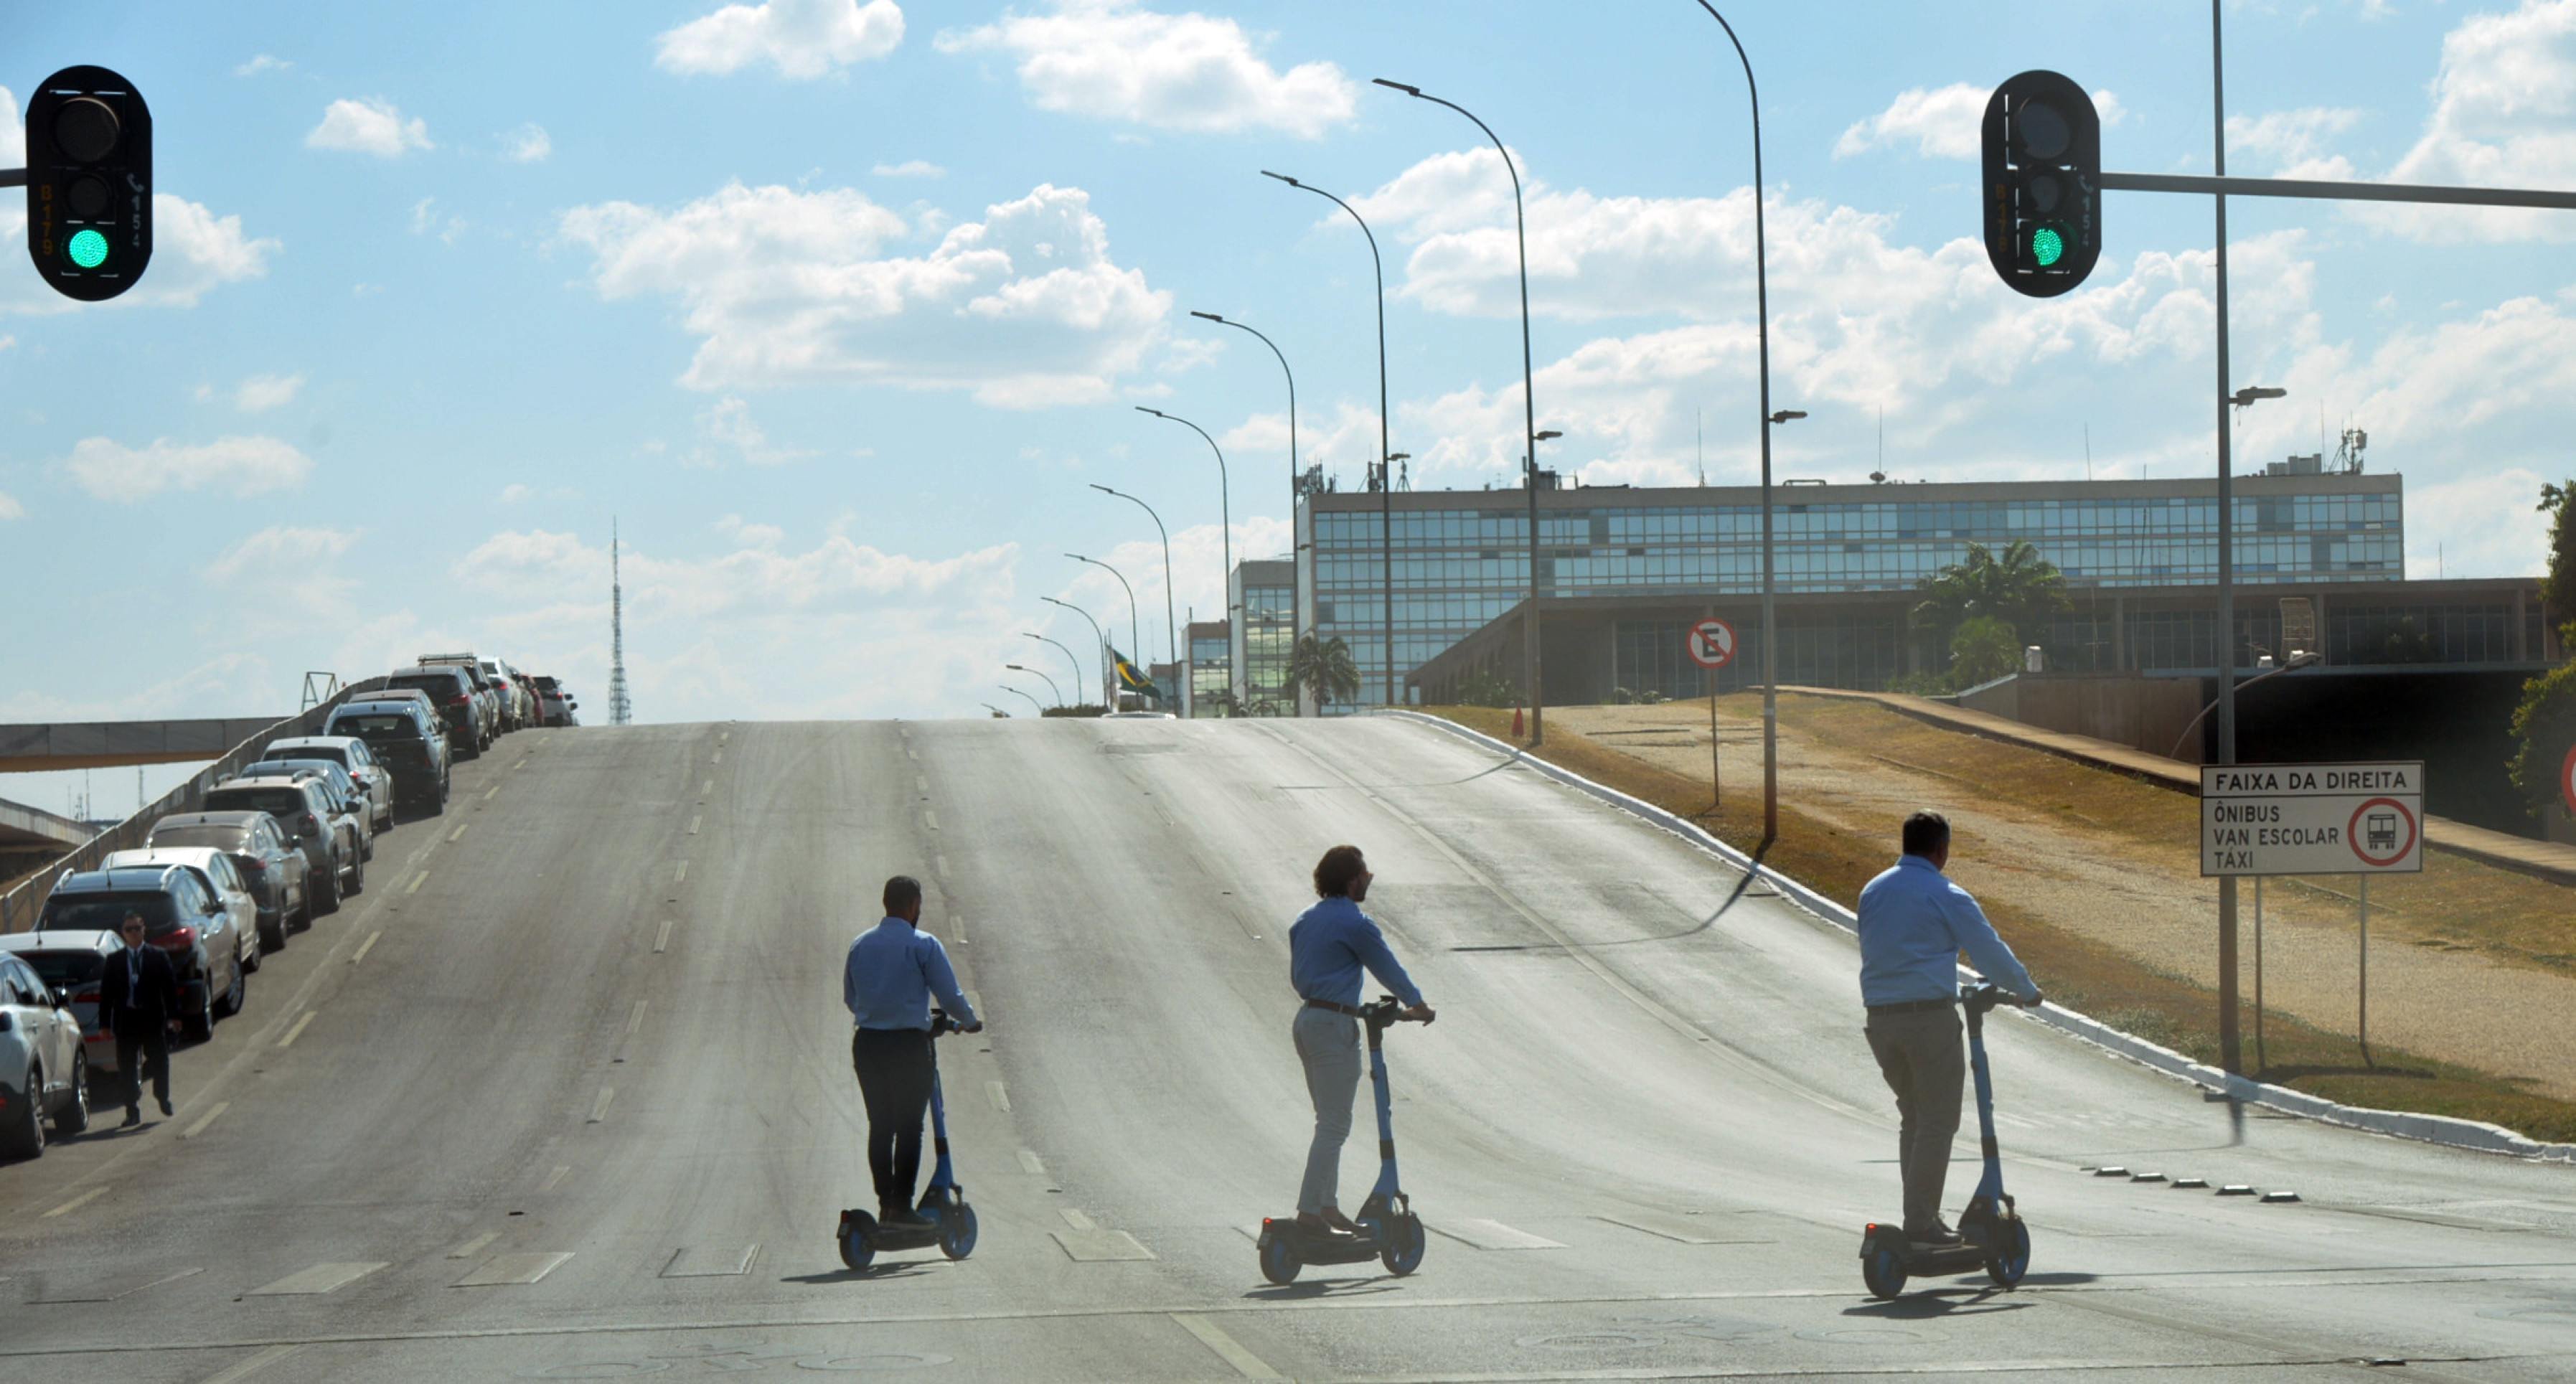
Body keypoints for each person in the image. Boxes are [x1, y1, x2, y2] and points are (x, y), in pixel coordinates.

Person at [1856, 811, 2041, 1249]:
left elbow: (1898, 951)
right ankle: (1921, 1225)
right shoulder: (1945, 893)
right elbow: (1988, 951)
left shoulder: (1873, 891)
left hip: (1880, 1019)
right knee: (1938, 1121)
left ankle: (1919, 1217)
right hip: (1928, 1021)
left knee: (1915, 1118)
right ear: (1941, 850)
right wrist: (2027, 991)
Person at [1287, 844, 1433, 1236]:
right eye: (1365, 873)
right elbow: (1386, 967)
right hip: (1335, 1025)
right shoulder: (1356, 924)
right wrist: (1417, 1005)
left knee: (1327, 1123)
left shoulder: (1304, 920)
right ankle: (1309, 1214)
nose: (1369, 878)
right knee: (1335, 1126)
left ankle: (1327, 1206)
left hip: (1307, 1020)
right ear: (1351, 880)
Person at [844, 875, 980, 1228]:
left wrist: (880, 1011)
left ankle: (886, 1206)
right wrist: (969, 1021)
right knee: (909, 1128)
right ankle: (902, 1208)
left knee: (881, 1126)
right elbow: (949, 996)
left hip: (869, 1045)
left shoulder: (860, 945)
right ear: (912, 905)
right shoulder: (923, 945)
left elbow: (851, 998)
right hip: (907, 1047)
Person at [94, 910, 181, 1128]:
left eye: (137, 928)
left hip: (151, 1019)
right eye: (128, 929)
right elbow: (107, 996)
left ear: (144, 929)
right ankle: (132, 1109)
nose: (133, 933)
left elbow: (169, 989)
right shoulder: (115, 961)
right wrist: (104, 1025)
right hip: (126, 1021)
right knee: (127, 1067)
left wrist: (174, 1016)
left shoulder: (158, 956)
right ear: (123, 933)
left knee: (160, 1060)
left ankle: (163, 1097)